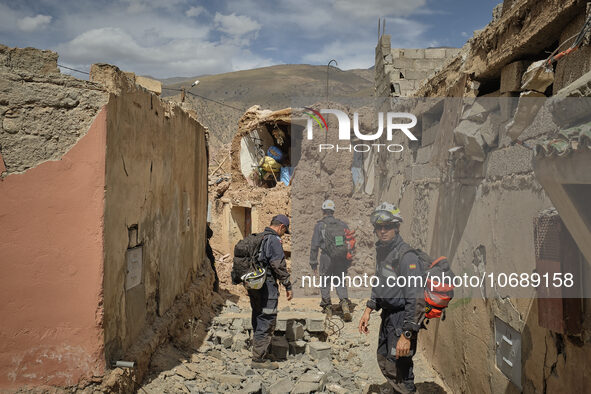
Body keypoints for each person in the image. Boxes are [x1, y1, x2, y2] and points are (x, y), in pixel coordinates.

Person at [358, 203, 423, 394]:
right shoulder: (384, 251)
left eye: (387, 226)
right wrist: (368, 309)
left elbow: (416, 298)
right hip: (388, 317)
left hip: (402, 319)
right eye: (379, 227)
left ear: (396, 227)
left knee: (401, 368)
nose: (383, 231)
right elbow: (380, 283)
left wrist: (407, 334)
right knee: (386, 359)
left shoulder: (406, 256)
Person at [249, 214, 293, 369]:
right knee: (267, 319)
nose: (283, 234)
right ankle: (258, 360)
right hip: (267, 287)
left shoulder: (260, 238)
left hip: (255, 286)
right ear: (281, 226)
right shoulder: (273, 240)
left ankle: (261, 351)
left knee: (258, 316)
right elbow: (278, 265)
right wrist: (288, 285)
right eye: (284, 230)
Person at [309, 200, 352, 321]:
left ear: (323, 211)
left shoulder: (320, 225)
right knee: (340, 281)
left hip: (326, 257)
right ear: (333, 211)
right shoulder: (342, 225)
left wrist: (313, 263)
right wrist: (348, 260)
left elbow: (314, 245)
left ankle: (328, 308)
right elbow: (349, 243)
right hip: (340, 257)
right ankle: (344, 305)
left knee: (325, 281)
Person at [205, 223, 219, 292]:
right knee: (213, 269)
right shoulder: (204, 225)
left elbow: (210, 233)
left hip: (208, 251)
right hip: (208, 251)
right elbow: (210, 233)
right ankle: (215, 289)